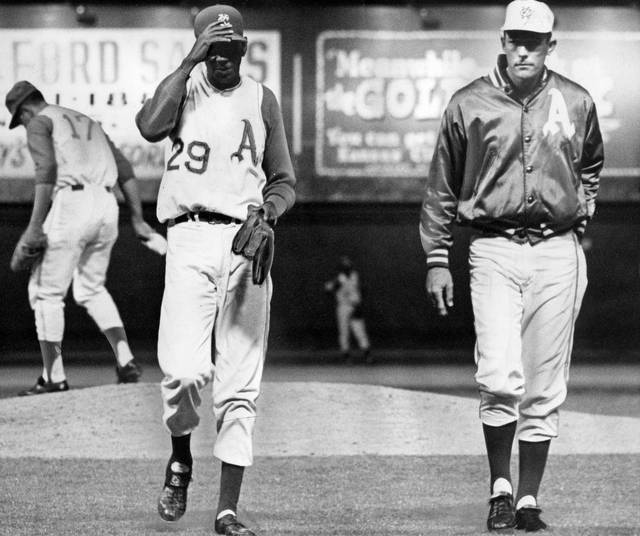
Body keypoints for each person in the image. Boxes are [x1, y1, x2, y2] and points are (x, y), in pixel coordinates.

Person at [419, 0, 603, 531]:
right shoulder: (468, 103)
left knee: (546, 384)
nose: (524, 49)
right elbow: (440, 188)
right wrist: (437, 257)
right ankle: (499, 485)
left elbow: (590, 162)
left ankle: (526, 500)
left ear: (551, 44)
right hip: (494, 247)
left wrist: (581, 208)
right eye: (515, 39)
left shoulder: (575, 99)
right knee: (499, 374)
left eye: (535, 40)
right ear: (502, 40)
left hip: (557, 250)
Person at [135, 5, 296, 535]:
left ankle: (227, 509)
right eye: (215, 49)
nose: (225, 59)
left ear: (245, 50)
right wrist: (188, 64)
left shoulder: (262, 98)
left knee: (239, 386)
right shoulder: (182, 89)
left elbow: (283, 181)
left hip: (245, 243)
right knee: (181, 371)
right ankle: (180, 456)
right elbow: (149, 125)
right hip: (189, 236)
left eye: (234, 50)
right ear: (201, 47)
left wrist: (268, 212)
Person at [5, 80, 154, 396]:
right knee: (91, 288)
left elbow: (45, 170)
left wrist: (34, 225)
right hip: (106, 205)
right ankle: (125, 358)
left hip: (72, 204)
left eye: (21, 119)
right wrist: (138, 218)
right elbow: (125, 169)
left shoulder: (40, 120)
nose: (23, 125)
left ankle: (53, 376)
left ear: (26, 108)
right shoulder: (87, 121)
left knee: (46, 293)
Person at [324, 256, 372, 364]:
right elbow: (328, 289)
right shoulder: (340, 279)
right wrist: (332, 287)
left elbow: (363, 288)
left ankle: (367, 355)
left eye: (348, 266)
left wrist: (360, 300)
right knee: (344, 332)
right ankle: (346, 356)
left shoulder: (355, 276)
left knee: (359, 331)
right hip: (343, 306)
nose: (347, 268)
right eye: (345, 266)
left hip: (355, 306)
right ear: (341, 268)